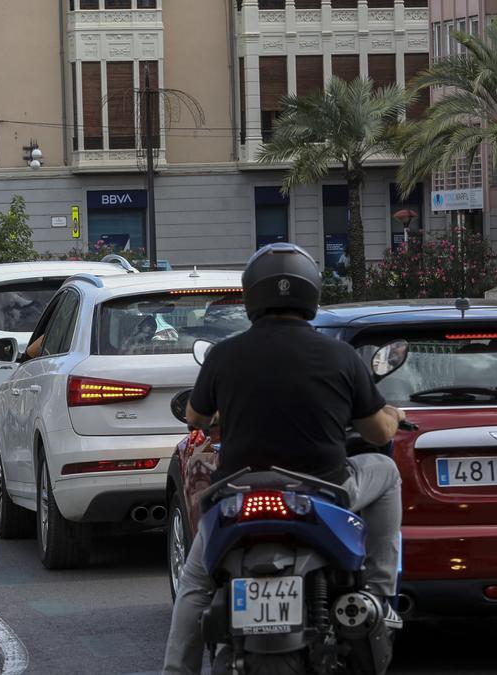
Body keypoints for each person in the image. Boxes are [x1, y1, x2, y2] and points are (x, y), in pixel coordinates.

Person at [162, 243, 406, 675]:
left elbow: (196, 417)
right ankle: (381, 593)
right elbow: (378, 433)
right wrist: (394, 414)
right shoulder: (341, 356)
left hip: (239, 491)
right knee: (385, 469)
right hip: (323, 490)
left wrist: (223, 409)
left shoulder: (224, 354)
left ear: (252, 294)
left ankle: (175, 671)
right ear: (311, 293)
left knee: (196, 584)